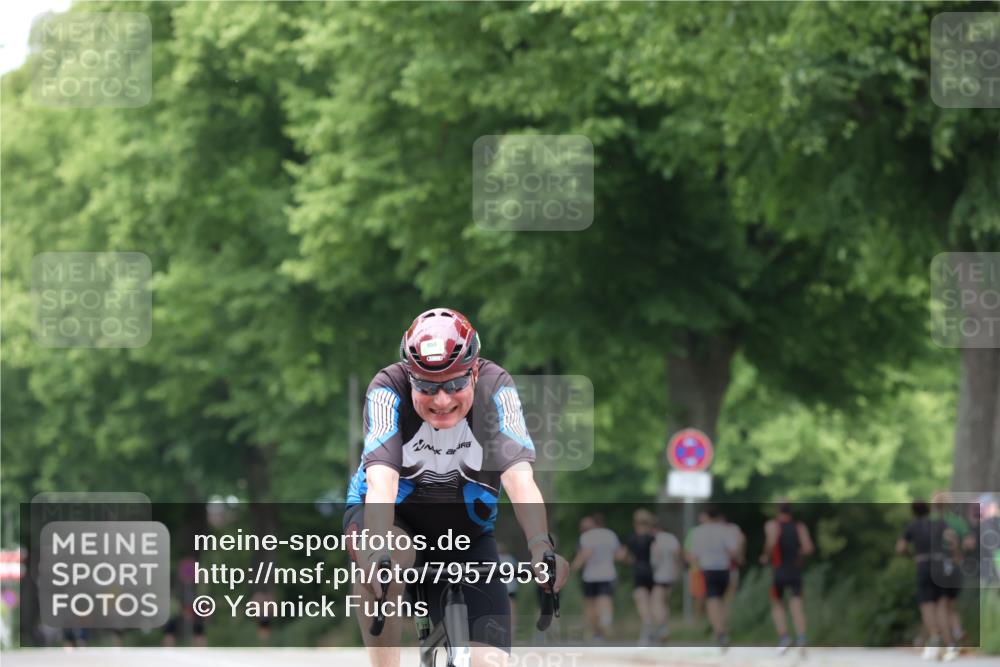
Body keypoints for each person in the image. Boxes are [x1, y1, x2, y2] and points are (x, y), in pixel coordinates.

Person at [342, 308, 570, 667]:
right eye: (427, 387)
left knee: (488, 661)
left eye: (454, 384)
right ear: (409, 376)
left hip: (465, 525)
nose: (442, 400)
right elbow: (382, 480)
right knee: (388, 560)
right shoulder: (388, 388)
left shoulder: (498, 389)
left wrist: (540, 544)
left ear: (475, 371)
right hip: (394, 515)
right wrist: (375, 549)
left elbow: (519, 476)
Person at [896, 499, 960, 662]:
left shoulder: (912, 526)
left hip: (923, 564)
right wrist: (955, 557)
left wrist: (912, 556)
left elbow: (901, 548)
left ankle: (934, 637)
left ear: (914, 512)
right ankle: (950, 644)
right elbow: (952, 540)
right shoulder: (939, 523)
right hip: (939, 565)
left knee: (926, 604)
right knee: (942, 605)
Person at [685, 505, 742, 650]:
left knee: (712, 600)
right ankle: (723, 627)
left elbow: (692, 555)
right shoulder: (725, 530)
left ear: (706, 516)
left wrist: (697, 567)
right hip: (724, 569)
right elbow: (733, 552)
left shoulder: (698, 532)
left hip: (707, 569)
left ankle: (719, 631)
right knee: (723, 600)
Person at [760, 501, 813, 655]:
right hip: (795, 570)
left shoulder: (772, 525)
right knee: (796, 603)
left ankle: (784, 638)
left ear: (778, 511)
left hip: (779, 570)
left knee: (777, 603)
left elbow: (771, 542)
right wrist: (798, 554)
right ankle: (801, 638)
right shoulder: (799, 526)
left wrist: (765, 556)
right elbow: (808, 547)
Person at [571, 515, 619, 643]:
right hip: (608, 573)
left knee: (590, 605)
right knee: (605, 599)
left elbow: (586, 553)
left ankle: (597, 633)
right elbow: (618, 554)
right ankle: (606, 620)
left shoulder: (587, 536)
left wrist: (574, 567)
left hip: (590, 576)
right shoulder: (610, 534)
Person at [618, 508, 658, 644]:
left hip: (639, 571)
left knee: (642, 602)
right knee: (654, 602)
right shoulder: (653, 537)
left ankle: (647, 628)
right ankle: (655, 629)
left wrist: (631, 561)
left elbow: (622, 556)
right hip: (653, 572)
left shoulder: (632, 538)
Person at [649, 517, 682, 641]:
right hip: (670, 574)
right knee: (664, 602)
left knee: (656, 602)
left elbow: (654, 556)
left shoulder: (654, 539)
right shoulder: (670, 538)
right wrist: (677, 569)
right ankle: (661, 628)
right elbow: (677, 553)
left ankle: (662, 628)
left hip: (658, 575)